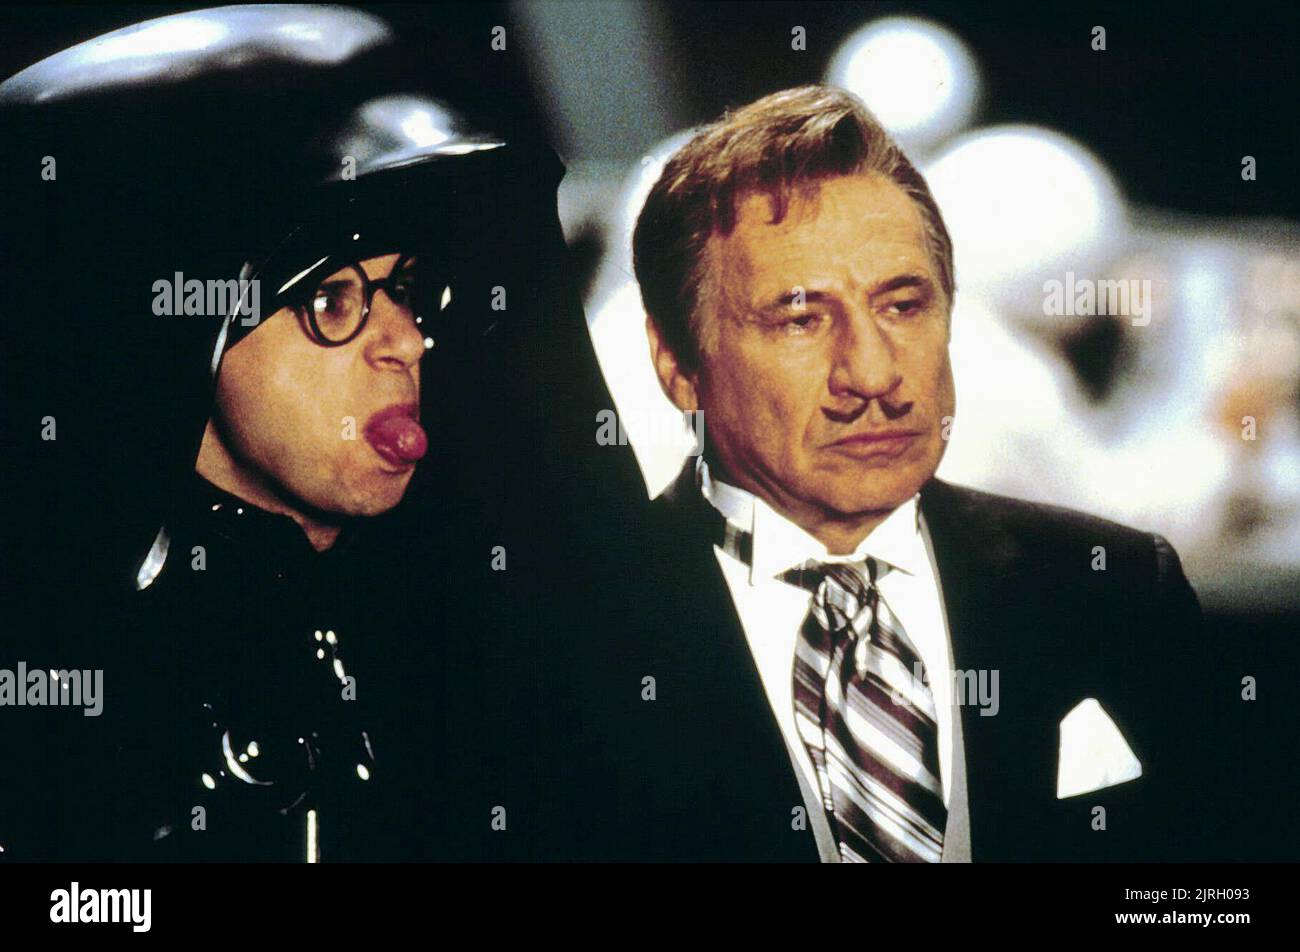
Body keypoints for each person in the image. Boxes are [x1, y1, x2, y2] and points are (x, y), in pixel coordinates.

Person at [0, 5, 638, 862]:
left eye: (405, 288)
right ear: (173, 337)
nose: (405, 342)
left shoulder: (493, 636)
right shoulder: (59, 709)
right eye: (331, 300)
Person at [541, 84, 1237, 861]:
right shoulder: (556, 644)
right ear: (676, 365)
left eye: (903, 306)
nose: (873, 375)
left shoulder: (1119, 592)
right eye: (801, 320)